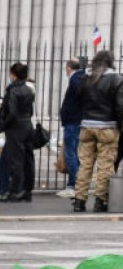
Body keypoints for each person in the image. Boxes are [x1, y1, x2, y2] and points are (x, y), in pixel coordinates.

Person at [72, 50, 123, 213]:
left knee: (85, 165)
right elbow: (120, 106)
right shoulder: (116, 79)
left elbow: (77, 99)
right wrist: (120, 127)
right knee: (105, 165)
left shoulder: (86, 79)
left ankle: (79, 200)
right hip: (107, 126)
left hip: (87, 125)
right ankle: (100, 200)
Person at [0, 62, 36, 202]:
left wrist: (2, 125)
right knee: (28, 159)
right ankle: (28, 190)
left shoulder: (13, 90)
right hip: (27, 124)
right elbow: (30, 111)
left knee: (16, 160)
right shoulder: (28, 90)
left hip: (16, 127)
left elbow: (12, 113)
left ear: (13, 75)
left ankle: (13, 191)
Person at [59, 57, 85, 196]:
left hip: (73, 122)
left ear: (69, 68)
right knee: (75, 153)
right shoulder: (82, 77)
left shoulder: (75, 79)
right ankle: (77, 184)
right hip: (77, 121)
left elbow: (80, 96)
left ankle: (72, 185)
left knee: (71, 153)